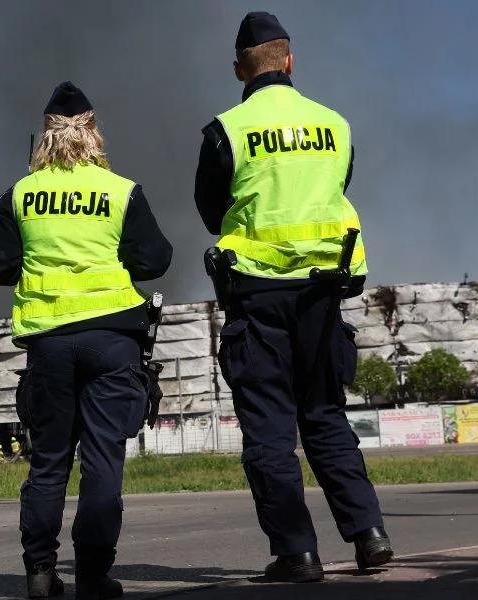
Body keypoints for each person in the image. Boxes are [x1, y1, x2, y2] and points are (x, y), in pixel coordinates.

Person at [194, 12, 393, 583]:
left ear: (239, 69)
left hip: (257, 299)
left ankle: (297, 553)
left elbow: (211, 212)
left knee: (269, 433)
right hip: (323, 297)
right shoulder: (335, 125)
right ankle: (370, 534)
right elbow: (337, 189)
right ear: (289, 61)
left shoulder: (224, 130)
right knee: (327, 418)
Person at [0, 81, 172, 599]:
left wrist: (37, 265)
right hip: (112, 339)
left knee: (49, 462)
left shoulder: (19, 193)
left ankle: (40, 572)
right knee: (104, 461)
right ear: (93, 132)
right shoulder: (121, 190)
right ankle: (92, 575)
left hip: (50, 344)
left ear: (45, 136)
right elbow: (155, 259)